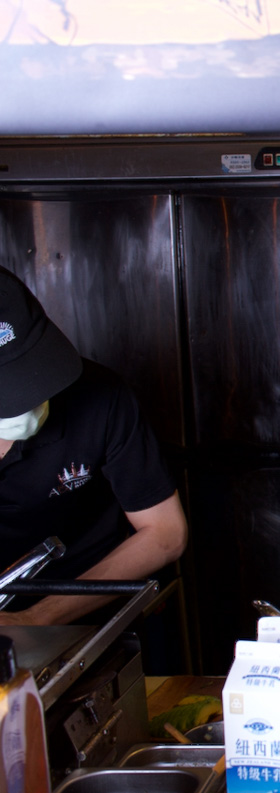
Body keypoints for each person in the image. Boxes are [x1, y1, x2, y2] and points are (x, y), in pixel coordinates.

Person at [0, 268, 187, 626]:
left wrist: (38, 619)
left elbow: (165, 532)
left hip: (94, 612)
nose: (28, 400)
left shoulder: (101, 397)